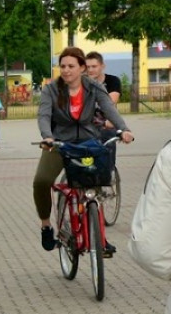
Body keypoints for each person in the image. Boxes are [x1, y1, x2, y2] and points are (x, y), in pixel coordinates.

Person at [34, 46, 134, 253]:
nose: (66, 70)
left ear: (82, 68)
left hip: (88, 142)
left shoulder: (94, 87)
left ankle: (99, 238)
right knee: (42, 181)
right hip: (59, 143)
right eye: (62, 66)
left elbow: (108, 108)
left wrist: (123, 129)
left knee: (96, 186)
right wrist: (48, 137)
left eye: (71, 66)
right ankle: (46, 225)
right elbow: (43, 115)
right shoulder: (51, 89)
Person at [85, 51, 123, 171]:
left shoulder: (112, 81)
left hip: (106, 124)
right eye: (88, 67)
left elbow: (109, 103)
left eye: (94, 66)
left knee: (107, 137)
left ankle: (107, 175)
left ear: (102, 66)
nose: (90, 70)